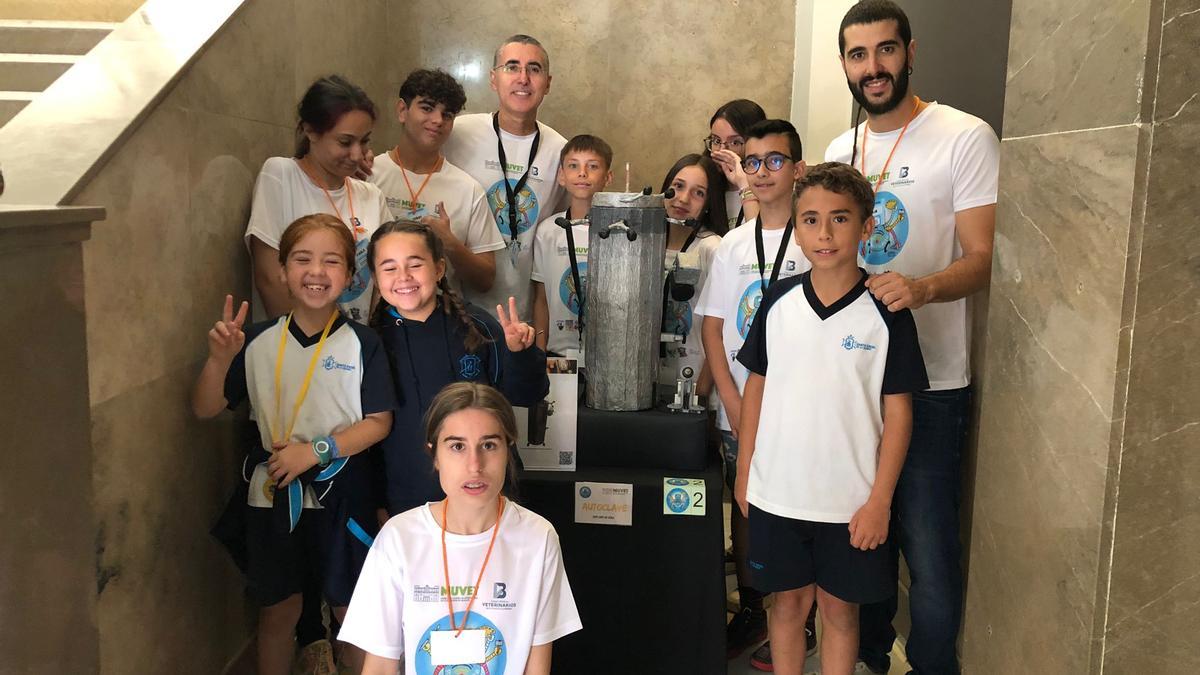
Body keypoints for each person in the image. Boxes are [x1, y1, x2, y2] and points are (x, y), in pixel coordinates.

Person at [824, 3, 1000, 673]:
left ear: (910, 51)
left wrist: (922, 288)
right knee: (859, 539)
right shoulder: (842, 151)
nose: (873, 67)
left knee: (927, 549)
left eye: (884, 51)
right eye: (857, 55)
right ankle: (868, 658)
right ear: (845, 63)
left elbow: (984, 259)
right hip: (854, 381)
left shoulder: (964, 136)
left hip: (932, 383)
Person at [735, 161, 928, 675]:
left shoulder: (886, 312)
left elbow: (899, 413)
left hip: (851, 506)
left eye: (840, 219)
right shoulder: (777, 302)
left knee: (841, 613)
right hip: (778, 494)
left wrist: (880, 501)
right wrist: (745, 472)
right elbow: (757, 387)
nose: (824, 233)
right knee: (787, 607)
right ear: (796, 228)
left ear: (867, 227)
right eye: (811, 219)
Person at [193, 214, 396, 675]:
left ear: (350, 275)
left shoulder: (363, 344)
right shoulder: (259, 340)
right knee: (279, 611)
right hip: (272, 496)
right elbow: (205, 408)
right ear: (282, 270)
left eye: (331, 261)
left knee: (352, 613)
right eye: (302, 259)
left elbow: (378, 423)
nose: (317, 272)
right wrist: (219, 360)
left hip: (342, 495)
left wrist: (317, 451)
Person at [341, 382, 582, 674]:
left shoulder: (537, 538)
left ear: (508, 450)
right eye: (457, 446)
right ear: (434, 455)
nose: (474, 465)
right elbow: (379, 665)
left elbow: (537, 664)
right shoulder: (398, 538)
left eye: (489, 445)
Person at [694, 119, 810, 669]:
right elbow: (713, 329)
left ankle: (798, 614)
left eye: (775, 160)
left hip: (801, 411)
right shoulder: (734, 244)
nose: (763, 172)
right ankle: (756, 608)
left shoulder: (815, 238)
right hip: (738, 406)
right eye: (754, 161)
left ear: (798, 169)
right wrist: (734, 406)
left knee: (798, 506)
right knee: (745, 508)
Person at [367, 221, 550, 516]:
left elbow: (525, 395)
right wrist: (378, 504)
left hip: (488, 493)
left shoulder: (476, 327)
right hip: (407, 501)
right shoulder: (370, 342)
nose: (404, 277)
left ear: (439, 269)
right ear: (375, 278)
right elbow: (369, 438)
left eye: (415, 264)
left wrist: (520, 354)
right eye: (389, 268)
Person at [443, 34, 568, 321]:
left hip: (527, 316)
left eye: (534, 69)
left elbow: (566, 231)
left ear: (547, 83)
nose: (523, 78)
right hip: (459, 312)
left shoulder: (561, 152)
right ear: (493, 78)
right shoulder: (457, 133)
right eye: (512, 67)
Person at [368, 68, 506, 296]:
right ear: (402, 110)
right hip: (373, 323)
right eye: (427, 108)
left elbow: (485, 280)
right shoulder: (368, 175)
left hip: (440, 325)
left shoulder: (467, 189)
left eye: (447, 114)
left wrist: (449, 243)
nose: (437, 120)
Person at [530, 134, 613, 357]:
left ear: (608, 177)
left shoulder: (618, 232)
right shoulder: (548, 230)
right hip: (558, 353)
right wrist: (540, 351)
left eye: (593, 166)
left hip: (606, 354)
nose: (582, 173)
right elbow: (541, 297)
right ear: (561, 176)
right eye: (573, 166)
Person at [658, 153, 727, 395]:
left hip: (695, 384)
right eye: (677, 187)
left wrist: (703, 392)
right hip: (648, 381)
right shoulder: (643, 242)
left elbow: (721, 332)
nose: (683, 199)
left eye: (698, 193)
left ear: (709, 203)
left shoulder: (713, 248)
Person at [705, 99, 767, 230]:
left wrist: (744, 184)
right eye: (716, 140)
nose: (721, 151)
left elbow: (760, 242)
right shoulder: (704, 183)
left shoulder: (770, 189)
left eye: (735, 143)